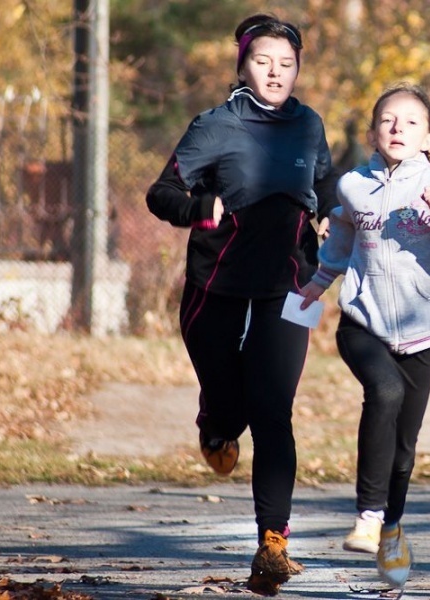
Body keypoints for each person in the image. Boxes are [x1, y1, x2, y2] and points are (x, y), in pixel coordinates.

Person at [145, 13, 338, 597]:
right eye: (264, 61)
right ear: (243, 65)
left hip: (289, 283)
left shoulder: (309, 125)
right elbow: (162, 192)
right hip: (218, 283)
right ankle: (216, 423)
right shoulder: (214, 126)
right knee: (231, 407)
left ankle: (272, 544)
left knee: (273, 408)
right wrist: (199, 206)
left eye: (286, 63)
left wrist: (331, 210)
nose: (276, 72)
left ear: (298, 68)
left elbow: (325, 183)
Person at [300, 83, 430, 588]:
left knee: (406, 446)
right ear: (373, 133)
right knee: (384, 391)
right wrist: (316, 285)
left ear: (428, 136)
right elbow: (342, 243)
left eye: (411, 122)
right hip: (362, 322)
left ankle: (392, 526)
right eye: (389, 121)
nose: (398, 129)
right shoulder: (352, 186)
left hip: (422, 332)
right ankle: (369, 516)